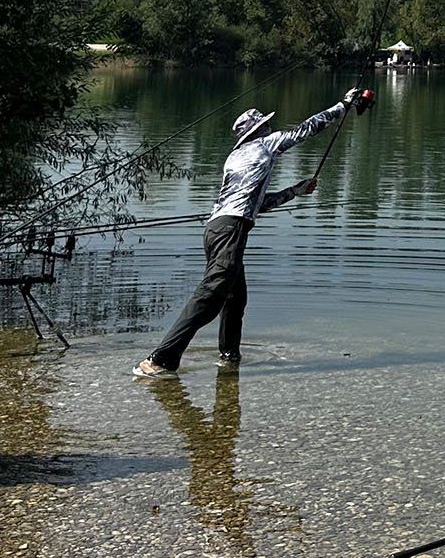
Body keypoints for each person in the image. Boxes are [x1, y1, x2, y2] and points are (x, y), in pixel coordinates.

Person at [133, 89, 370, 378]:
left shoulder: (236, 157)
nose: (271, 129)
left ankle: (229, 358)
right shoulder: (265, 146)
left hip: (217, 229)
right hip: (230, 229)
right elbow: (306, 129)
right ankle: (160, 359)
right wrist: (343, 106)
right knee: (211, 295)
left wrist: (294, 191)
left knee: (235, 298)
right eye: (266, 126)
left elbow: (256, 204)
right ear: (259, 131)